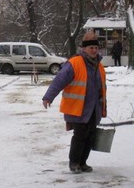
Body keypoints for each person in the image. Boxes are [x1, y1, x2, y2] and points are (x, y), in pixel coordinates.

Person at [42, 30, 107, 174]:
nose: (94, 50)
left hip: (93, 109)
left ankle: (83, 162)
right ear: (84, 48)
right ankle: (74, 162)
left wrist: (103, 106)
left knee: (90, 136)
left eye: (96, 48)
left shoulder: (99, 66)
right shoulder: (74, 63)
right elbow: (59, 81)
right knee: (80, 136)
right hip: (78, 108)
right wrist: (48, 97)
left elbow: (102, 88)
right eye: (91, 48)